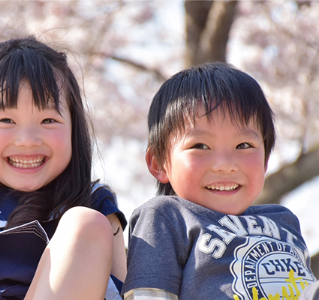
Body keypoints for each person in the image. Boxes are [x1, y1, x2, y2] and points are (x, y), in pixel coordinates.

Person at [0, 36, 127, 300]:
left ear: (74, 131)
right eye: (6, 120)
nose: (27, 140)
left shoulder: (95, 203)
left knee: (86, 223)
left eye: (48, 119)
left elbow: (123, 292)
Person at [122, 62, 316, 300]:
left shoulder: (284, 220)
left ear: (265, 160)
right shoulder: (166, 216)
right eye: (200, 146)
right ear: (159, 163)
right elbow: (149, 295)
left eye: (244, 145)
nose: (225, 164)